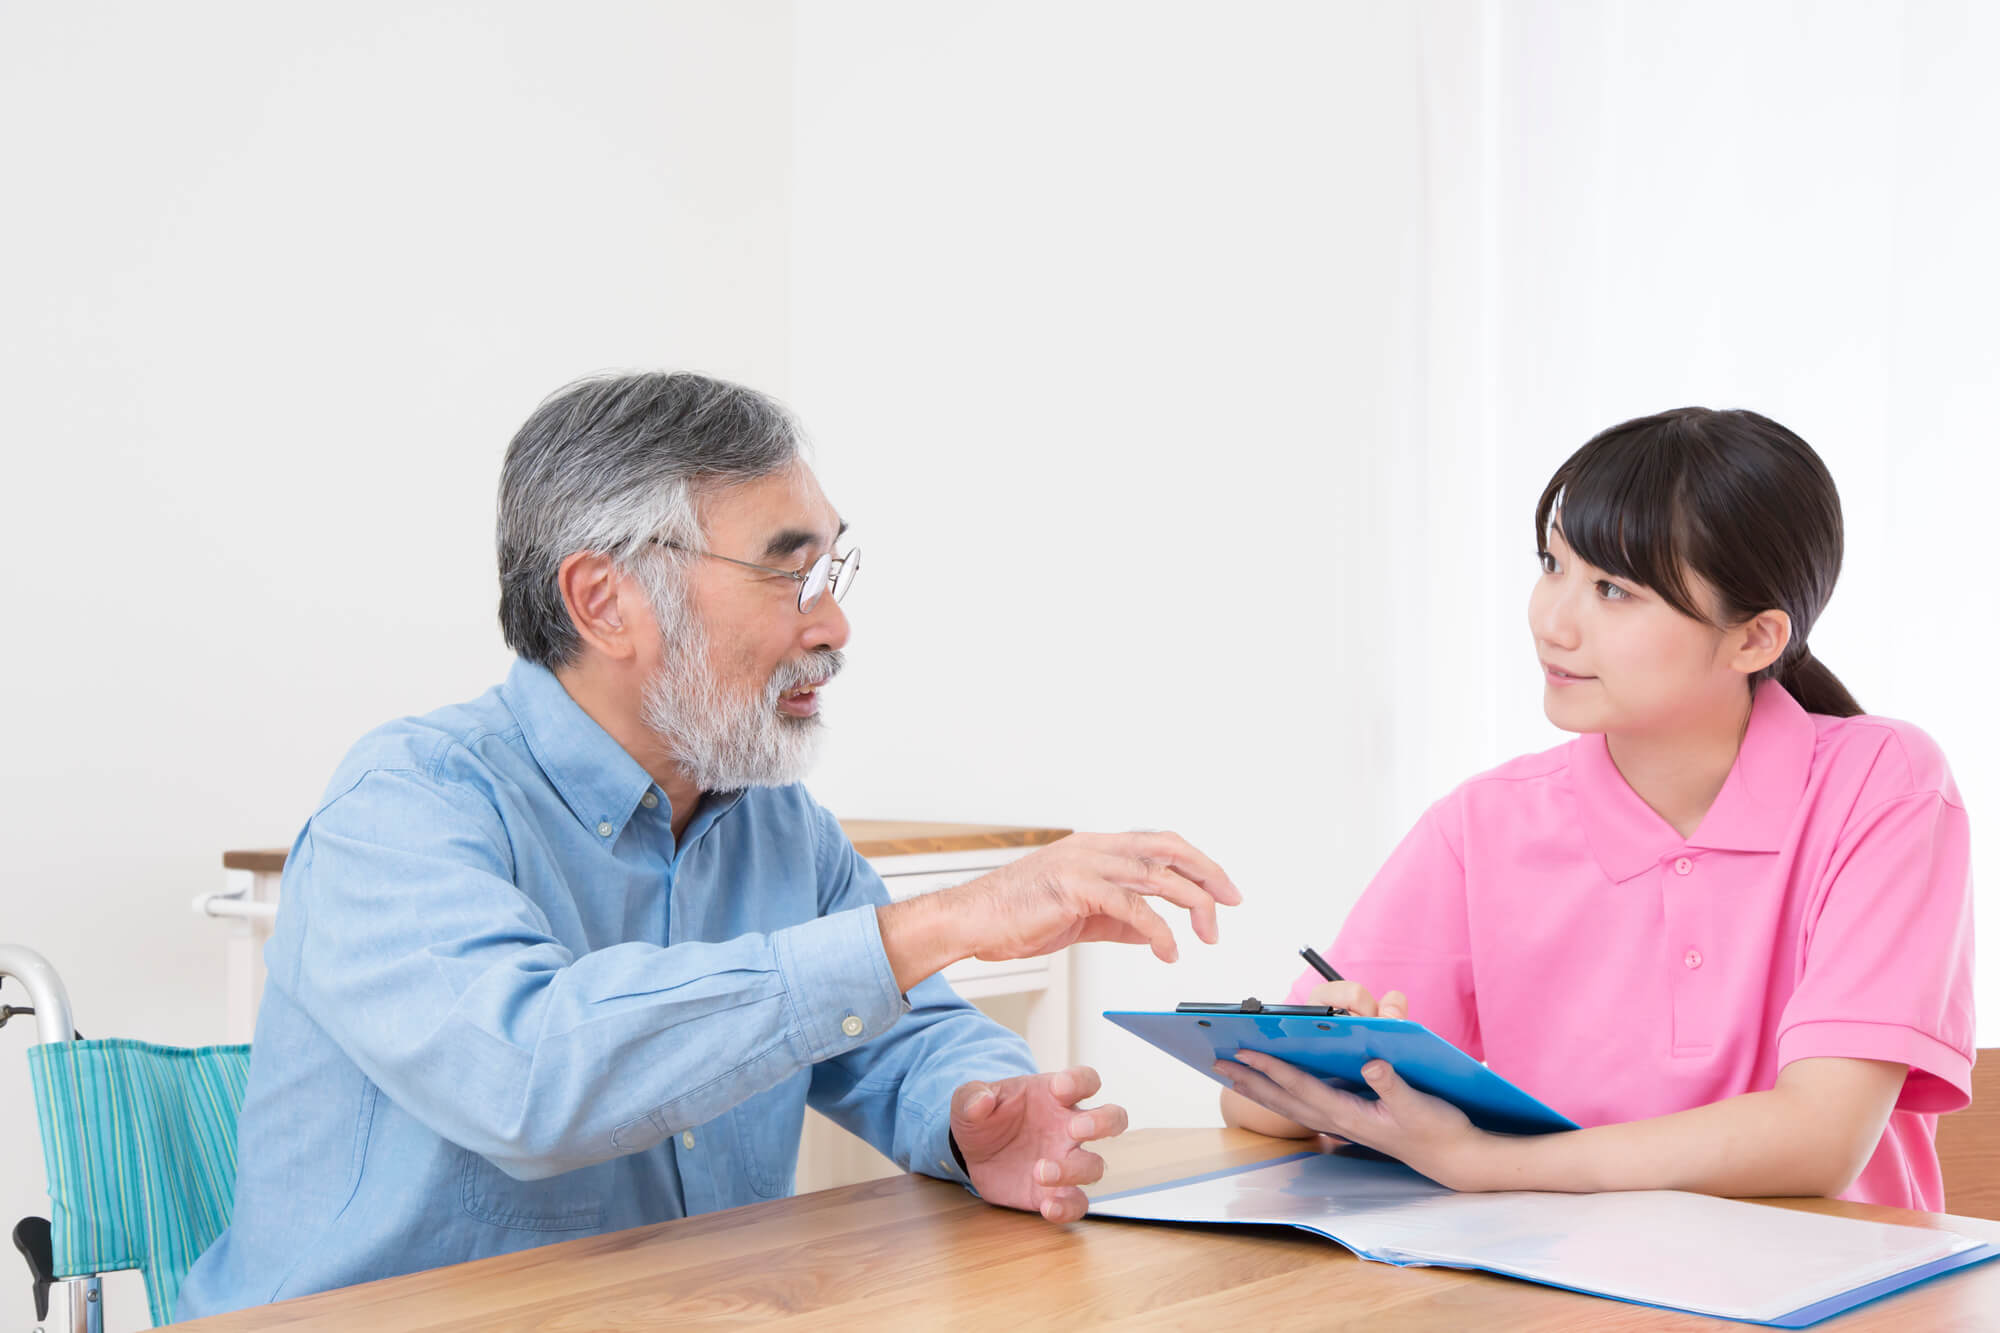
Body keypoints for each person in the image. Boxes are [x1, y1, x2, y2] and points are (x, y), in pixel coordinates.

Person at [179, 371, 1240, 1317]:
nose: (832, 625)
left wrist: (967, 1114)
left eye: (832, 570)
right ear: (604, 600)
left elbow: (895, 1033)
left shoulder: (772, 819)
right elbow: (527, 1077)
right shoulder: (405, 804)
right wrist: (950, 916)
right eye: (787, 573)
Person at [1220, 407, 1972, 1210]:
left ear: (1754, 638)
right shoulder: (1483, 824)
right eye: (1553, 564)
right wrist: (1331, 1057)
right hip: (1565, 1293)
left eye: (1613, 589)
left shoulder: (1885, 785)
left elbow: (1817, 1138)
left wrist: (1487, 1162)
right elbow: (1247, 1096)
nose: (1552, 620)